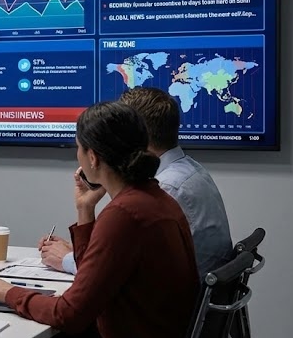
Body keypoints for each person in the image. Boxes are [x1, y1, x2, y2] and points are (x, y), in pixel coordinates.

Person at [0, 101, 199, 338]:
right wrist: (85, 209)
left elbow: (70, 314)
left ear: (92, 157)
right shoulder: (153, 198)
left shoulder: (125, 215)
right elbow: (94, 274)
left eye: (77, 147)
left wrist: (10, 293)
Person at [40, 87, 232, 278]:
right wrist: (85, 213)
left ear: (137, 135)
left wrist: (67, 260)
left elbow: (112, 275)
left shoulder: (164, 189)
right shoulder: (189, 170)